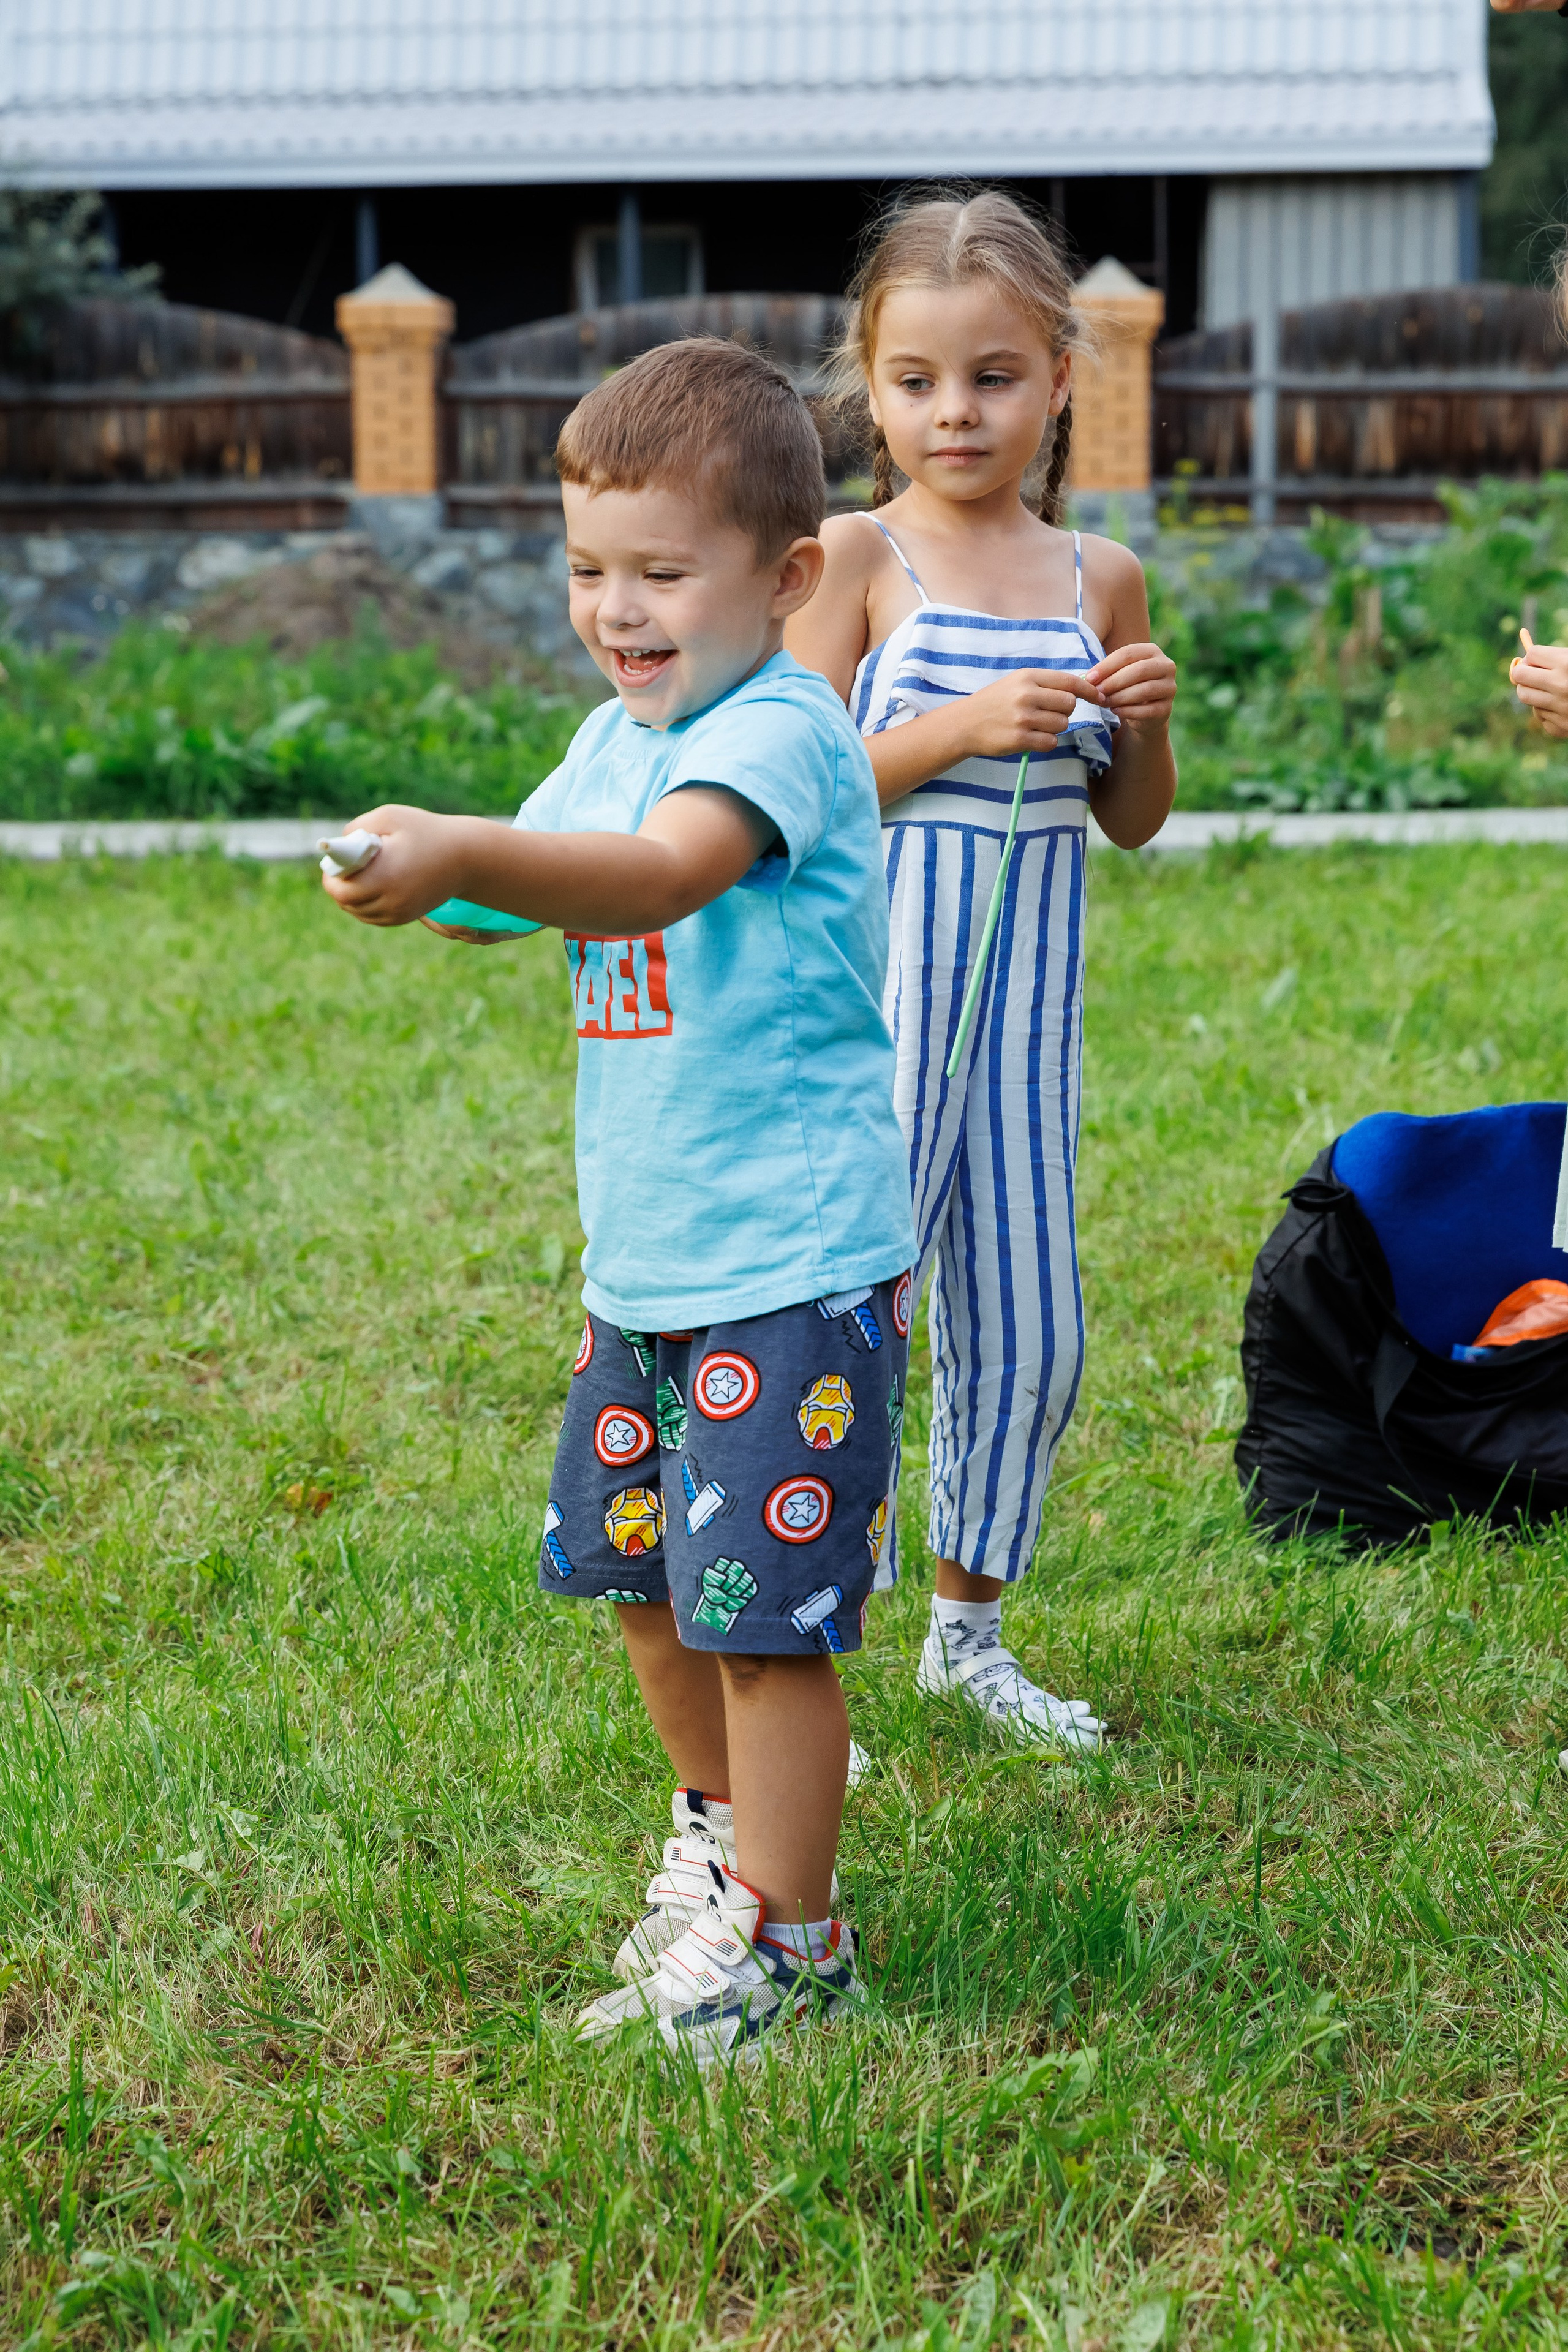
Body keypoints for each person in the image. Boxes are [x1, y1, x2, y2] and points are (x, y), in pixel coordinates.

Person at [322, 337, 916, 2067]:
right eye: (590, 570)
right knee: (645, 1590)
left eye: (663, 573)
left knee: (767, 1625)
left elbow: (657, 880)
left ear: (788, 578)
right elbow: (516, 888)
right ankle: (726, 1852)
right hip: (650, 1268)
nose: (618, 609)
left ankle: (800, 1948)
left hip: (789, 1271)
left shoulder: (786, 733)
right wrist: (419, 874)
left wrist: (468, 849)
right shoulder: (613, 735)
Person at [786, 190, 1177, 1750]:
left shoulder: (1101, 575)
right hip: (868, 1024)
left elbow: (1131, 822)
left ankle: (968, 1633)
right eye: (917, 380)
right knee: (845, 1328)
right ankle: (799, 1647)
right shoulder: (853, 558)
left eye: (994, 376)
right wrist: (951, 727)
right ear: (869, 388)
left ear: (1061, 379)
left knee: (1029, 1330)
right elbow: (793, 786)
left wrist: (1134, 718)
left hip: (1025, 1037)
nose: (955, 412)